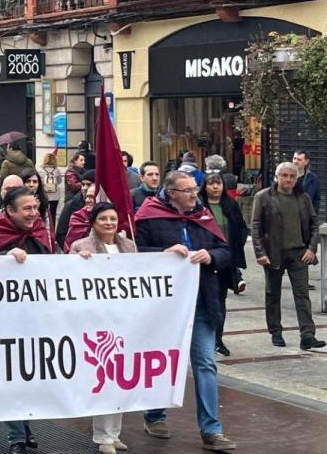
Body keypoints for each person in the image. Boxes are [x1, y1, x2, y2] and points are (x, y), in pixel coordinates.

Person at [134, 171, 235, 450]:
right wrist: (163, 253)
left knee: (205, 363)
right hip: (164, 307)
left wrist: (211, 256)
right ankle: (154, 415)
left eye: (195, 189)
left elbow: (226, 251)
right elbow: (134, 253)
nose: (194, 194)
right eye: (188, 190)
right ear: (172, 192)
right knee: (161, 362)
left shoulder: (203, 214)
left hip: (202, 301)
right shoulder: (149, 214)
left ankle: (212, 430)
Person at [0, 186, 50, 454]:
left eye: (36, 208)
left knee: (29, 376)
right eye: (27, 209)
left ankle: (25, 428)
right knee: (10, 377)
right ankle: (16, 436)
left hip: (34, 317)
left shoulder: (40, 232)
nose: (33, 213)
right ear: (9, 211)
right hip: (1, 320)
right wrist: (2, 260)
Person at [68, 202, 136, 454]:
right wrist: (76, 262)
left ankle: (114, 433)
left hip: (123, 320)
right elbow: (65, 275)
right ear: (93, 222)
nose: (109, 223)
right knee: (103, 376)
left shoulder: (128, 246)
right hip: (96, 322)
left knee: (120, 378)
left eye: (113, 218)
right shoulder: (81, 246)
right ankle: (103, 436)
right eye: (103, 219)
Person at [251, 162, 324, 350]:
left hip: (299, 253)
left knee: (302, 294)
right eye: (284, 175)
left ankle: (307, 335)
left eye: (292, 176)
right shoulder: (263, 197)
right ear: (277, 177)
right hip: (274, 253)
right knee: (272, 294)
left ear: (296, 178)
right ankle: (275, 331)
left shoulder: (303, 197)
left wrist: (311, 248)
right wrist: (260, 253)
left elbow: (314, 224)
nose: (288, 179)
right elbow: (256, 227)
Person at [199, 173, 249, 356]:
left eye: (218, 183)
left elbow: (241, 228)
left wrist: (236, 247)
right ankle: (205, 338)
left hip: (226, 261)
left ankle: (218, 339)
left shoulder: (230, 204)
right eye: (211, 184)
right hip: (206, 261)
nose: (215, 187)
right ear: (205, 186)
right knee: (206, 300)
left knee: (220, 300)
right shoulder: (199, 206)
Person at [56, 170, 94, 248]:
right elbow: (61, 234)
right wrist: (72, 251)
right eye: (83, 184)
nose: (84, 188)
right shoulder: (70, 206)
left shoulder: (105, 207)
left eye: (88, 184)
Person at [61, 186, 97, 252]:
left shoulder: (109, 218)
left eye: (92, 197)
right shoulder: (78, 217)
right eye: (87, 197)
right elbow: (70, 246)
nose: (88, 200)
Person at [293, 149, 321, 215]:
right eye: (294, 158)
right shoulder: (285, 176)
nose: (295, 161)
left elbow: (316, 200)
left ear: (306, 162)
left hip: (305, 217)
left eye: (299, 159)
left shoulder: (313, 179)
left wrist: (313, 217)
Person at [40, 153, 61, 226]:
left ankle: (44, 227)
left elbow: (40, 182)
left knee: (43, 212)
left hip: (44, 195)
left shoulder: (41, 170)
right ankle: (52, 229)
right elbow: (59, 181)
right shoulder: (56, 170)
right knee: (53, 213)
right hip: (55, 195)